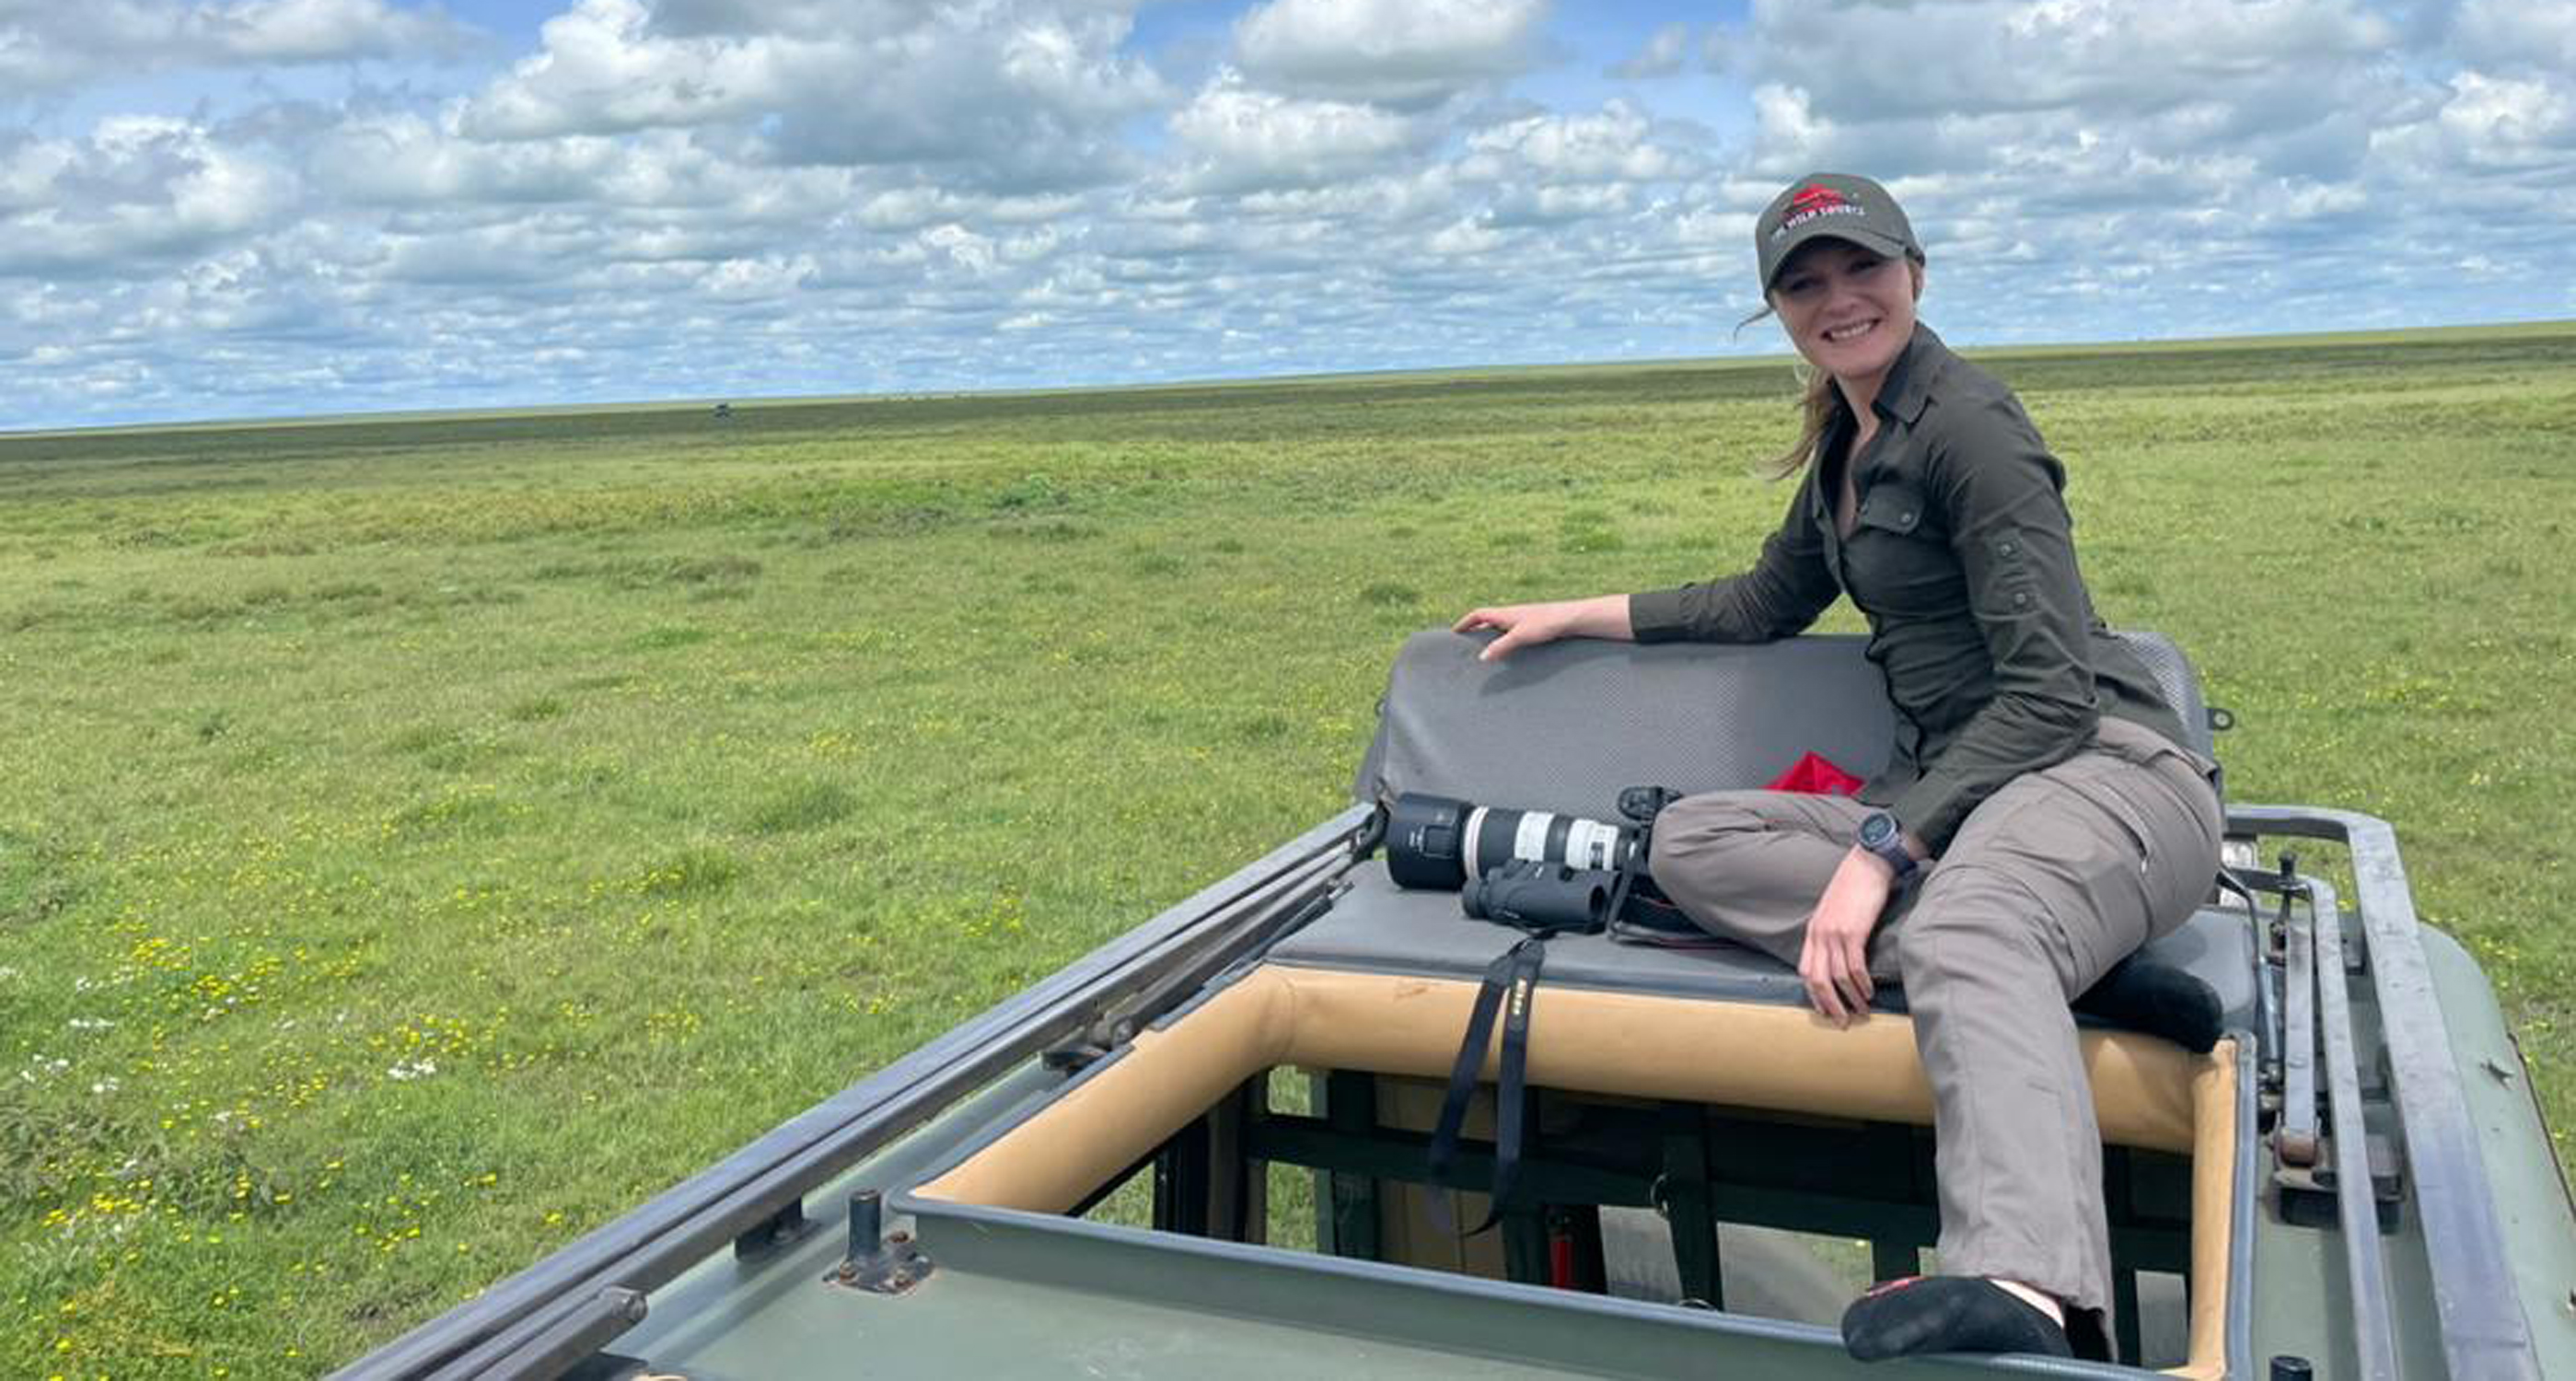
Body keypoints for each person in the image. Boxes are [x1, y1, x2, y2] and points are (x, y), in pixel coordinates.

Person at [1451, 172, 2223, 1363]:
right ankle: (2055, 962)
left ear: (1915, 269)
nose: (1839, 299)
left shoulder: (1970, 427)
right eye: (1803, 283)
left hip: (2102, 773)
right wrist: (1573, 612)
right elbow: (1762, 600)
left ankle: (2027, 1291)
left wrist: (1882, 848)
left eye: (1861, 268)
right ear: (1778, 312)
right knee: (1690, 844)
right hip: (1970, 816)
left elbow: (2052, 693)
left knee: (1962, 922)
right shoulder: (1845, 449)